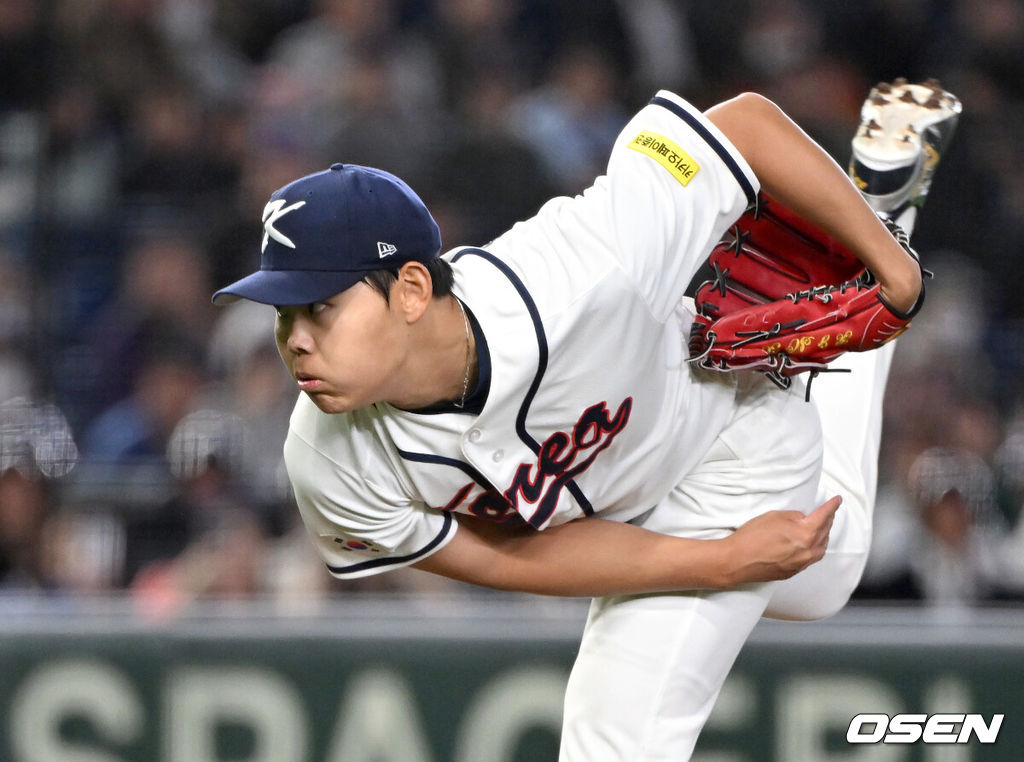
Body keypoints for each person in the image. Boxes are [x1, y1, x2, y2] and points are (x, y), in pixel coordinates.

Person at [212, 82, 952, 760]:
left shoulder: (586, 271)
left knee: (615, 733)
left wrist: (896, 270)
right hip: (630, 505)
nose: (295, 340)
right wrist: (724, 565)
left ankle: (880, 224)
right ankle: (886, 197)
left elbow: (745, 128)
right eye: (284, 315)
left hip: (730, 451)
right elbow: (503, 559)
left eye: (321, 308)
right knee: (829, 571)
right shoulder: (328, 460)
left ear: (411, 289)